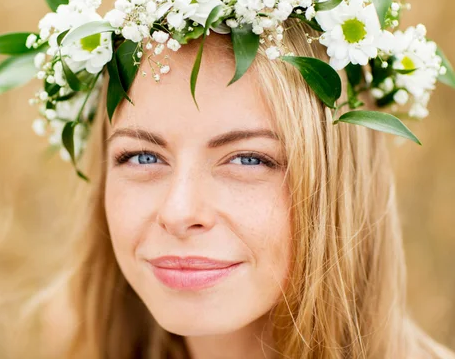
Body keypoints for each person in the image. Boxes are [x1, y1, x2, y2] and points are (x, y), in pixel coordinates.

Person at [27, 20, 455, 359]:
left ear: (337, 185)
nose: (178, 212)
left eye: (249, 159)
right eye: (142, 157)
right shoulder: (68, 345)